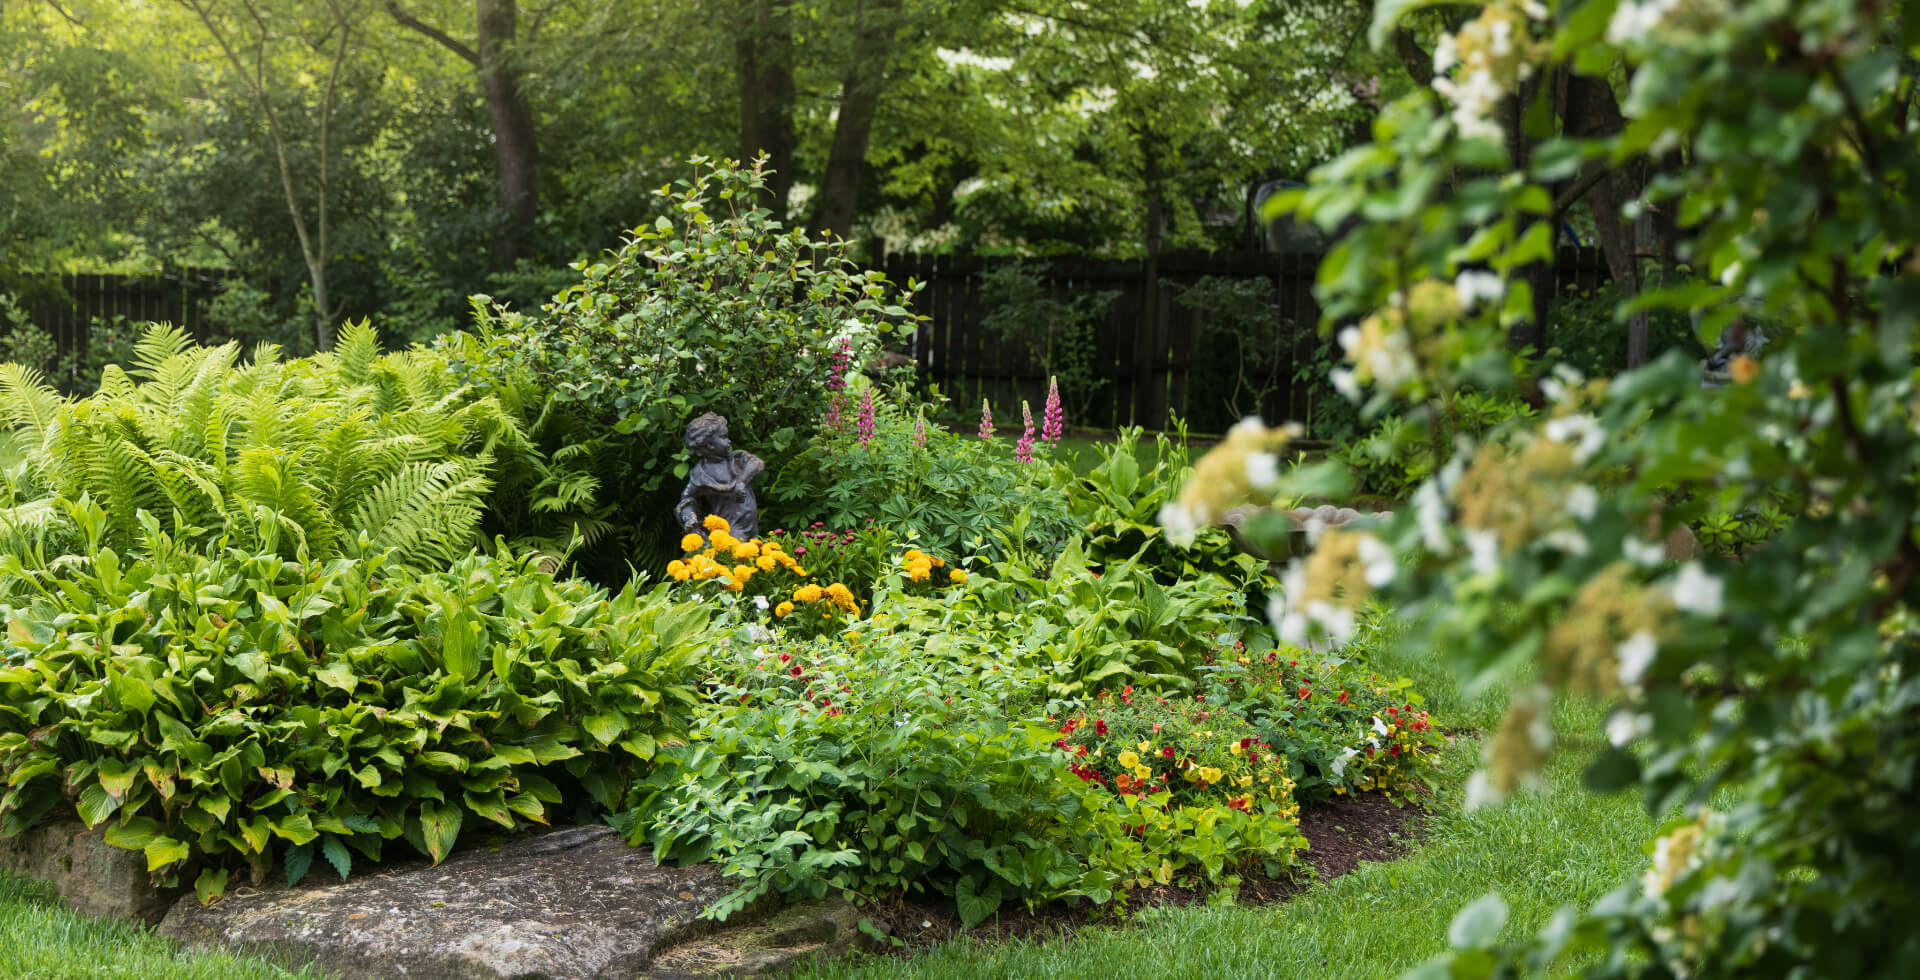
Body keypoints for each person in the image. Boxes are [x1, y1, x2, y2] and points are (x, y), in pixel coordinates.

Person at [674, 413, 764, 541]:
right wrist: (690, 520)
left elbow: (757, 463)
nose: (729, 441)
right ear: (709, 445)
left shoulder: (736, 460)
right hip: (729, 531)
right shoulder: (700, 475)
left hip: (751, 529)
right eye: (724, 437)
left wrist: (741, 482)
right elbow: (686, 500)